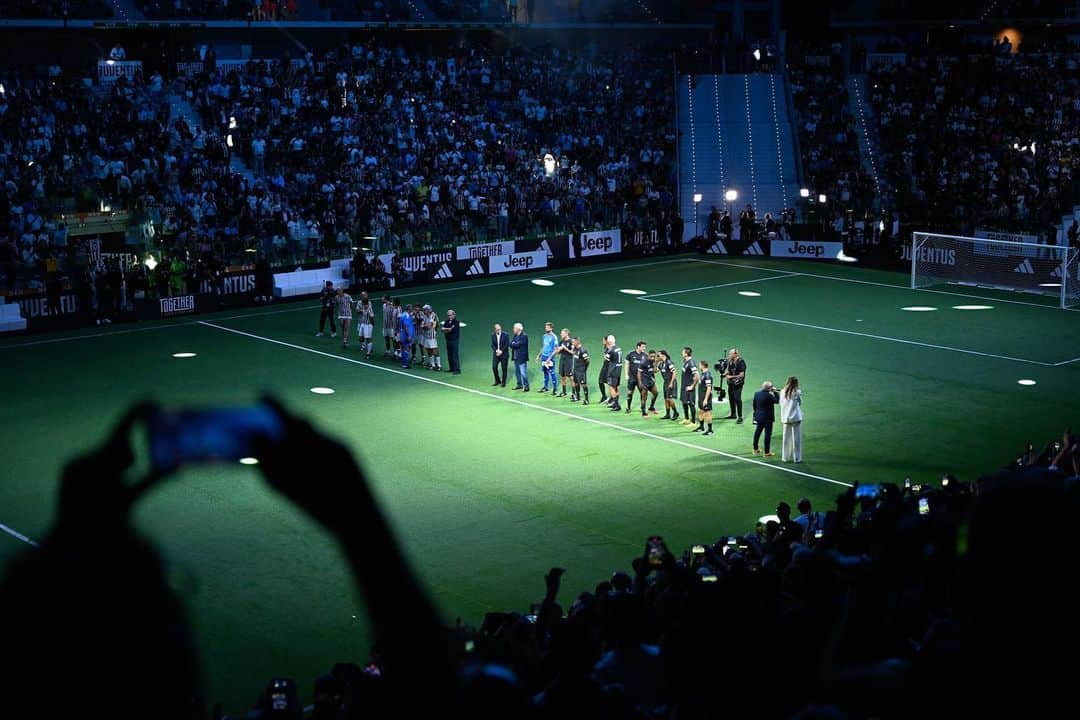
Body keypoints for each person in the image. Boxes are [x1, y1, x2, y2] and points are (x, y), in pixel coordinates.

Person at [779, 375, 803, 462]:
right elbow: (800, 403)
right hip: (796, 417)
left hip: (786, 417)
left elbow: (781, 403)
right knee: (796, 439)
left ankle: (785, 457)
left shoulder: (782, 392)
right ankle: (797, 458)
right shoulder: (797, 392)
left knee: (786, 438)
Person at [752, 381, 780, 456]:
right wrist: (775, 392)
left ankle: (755, 449)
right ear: (769, 388)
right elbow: (777, 401)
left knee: (757, 432)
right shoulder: (769, 396)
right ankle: (767, 452)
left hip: (759, 416)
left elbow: (754, 405)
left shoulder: (757, 393)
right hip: (768, 418)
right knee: (767, 434)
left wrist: (756, 413)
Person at [624, 341, 648, 414]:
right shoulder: (631, 354)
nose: (644, 348)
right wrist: (626, 374)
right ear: (638, 346)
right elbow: (627, 364)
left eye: (645, 347)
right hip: (632, 378)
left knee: (642, 393)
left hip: (641, 378)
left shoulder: (645, 355)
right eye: (643, 347)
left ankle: (642, 407)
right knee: (630, 393)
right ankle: (628, 407)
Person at [724, 348, 747, 423]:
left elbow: (741, 375)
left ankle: (740, 417)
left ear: (736, 354)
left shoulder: (741, 362)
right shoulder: (730, 361)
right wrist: (725, 373)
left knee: (737, 398)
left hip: (738, 384)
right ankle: (733, 414)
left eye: (731, 354)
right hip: (731, 383)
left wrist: (731, 377)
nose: (729, 355)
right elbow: (727, 370)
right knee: (731, 398)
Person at [657, 350, 679, 421]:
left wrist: (671, 383)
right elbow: (655, 370)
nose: (658, 357)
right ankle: (668, 414)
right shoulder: (661, 364)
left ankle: (675, 412)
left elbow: (674, 373)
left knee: (669, 398)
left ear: (663, 355)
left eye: (658, 355)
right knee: (666, 399)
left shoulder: (669, 362)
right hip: (665, 382)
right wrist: (655, 362)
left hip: (671, 382)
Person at [679, 347, 699, 426]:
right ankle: (687, 419)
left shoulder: (691, 363)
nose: (682, 353)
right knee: (684, 402)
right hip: (684, 386)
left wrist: (692, 386)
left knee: (691, 403)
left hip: (689, 387)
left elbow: (697, 376)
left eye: (683, 352)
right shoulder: (685, 361)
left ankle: (693, 422)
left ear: (686, 353)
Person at [553, 328, 574, 398]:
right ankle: (564, 392)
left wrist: (565, 348)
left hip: (569, 361)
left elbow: (573, 352)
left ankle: (574, 393)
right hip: (562, 360)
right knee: (562, 376)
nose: (561, 334)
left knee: (571, 377)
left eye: (562, 333)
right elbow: (558, 352)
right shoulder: (561, 341)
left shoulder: (571, 341)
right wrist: (557, 350)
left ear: (566, 334)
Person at [603, 335, 623, 411]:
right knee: (616, 387)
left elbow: (606, 360)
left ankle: (616, 404)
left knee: (611, 387)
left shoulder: (611, 350)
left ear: (608, 341)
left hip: (612, 370)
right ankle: (615, 403)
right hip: (618, 370)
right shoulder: (619, 348)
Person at [537, 322, 558, 393]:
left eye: (547, 327)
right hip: (544, 357)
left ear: (551, 328)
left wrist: (549, 358)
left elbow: (556, 349)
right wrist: (539, 355)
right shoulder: (544, 336)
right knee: (545, 372)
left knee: (552, 372)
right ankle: (545, 387)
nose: (546, 328)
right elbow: (543, 346)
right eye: (545, 327)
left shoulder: (554, 337)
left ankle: (555, 388)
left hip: (550, 358)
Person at [695, 359, 714, 435]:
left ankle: (710, 430)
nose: (699, 366)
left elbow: (709, 388)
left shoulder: (707, 375)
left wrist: (706, 399)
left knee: (707, 412)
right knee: (701, 411)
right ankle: (701, 427)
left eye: (699, 365)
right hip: (701, 396)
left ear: (703, 365)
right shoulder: (703, 374)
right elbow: (701, 382)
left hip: (705, 397)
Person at [420, 304, 442, 370]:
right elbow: (422, 325)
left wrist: (426, 326)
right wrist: (426, 325)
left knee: (435, 350)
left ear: (428, 310)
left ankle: (438, 365)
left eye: (425, 310)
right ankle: (432, 364)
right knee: (428, 350)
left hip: (432, 336)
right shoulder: (424, 316)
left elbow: (431, 325)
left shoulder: (434, 315)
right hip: (426, 336)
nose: (423, 311)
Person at [570, 336, 590, 404]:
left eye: (573, 342)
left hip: (581, 370)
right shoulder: (575, 349)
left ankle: (586, 399)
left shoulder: (583, 350)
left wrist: (584, 369)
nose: (572, 343)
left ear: (577, 341)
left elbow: (587, 361)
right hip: (575, 369)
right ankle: (577, 397)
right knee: (575, 383)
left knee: (583, 384)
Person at [510, 322, 530, 391]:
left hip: (521, 358)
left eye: (514, 328)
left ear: (518, 329)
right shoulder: (515, 336)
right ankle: (519, 385)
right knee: (517, 372)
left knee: (523, 373)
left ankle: (526, 386)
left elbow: (517, 345)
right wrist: (513, 344)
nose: (513, 329)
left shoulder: (524, 336)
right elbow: (511, 344)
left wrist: (514, 344)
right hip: (516, 357)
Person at [440, 309, 461, 374]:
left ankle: (457, 369)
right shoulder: (447, 321)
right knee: (449, 355)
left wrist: (446, 329)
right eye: (448, 315)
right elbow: (442, 329)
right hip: (448, 340)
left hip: (454, 340)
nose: (449, 316)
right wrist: (447, 329)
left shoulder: (456, 322)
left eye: (450, 315)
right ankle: (451, 368)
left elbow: (450, 330)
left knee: (454, 355)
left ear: (454, 315)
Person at [356, 292, 375, 360]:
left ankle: (368, 353)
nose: (363, 305)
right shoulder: (364, 308)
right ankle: (370, 348)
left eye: (363, 304)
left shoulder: (369, 309)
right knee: (360, 338)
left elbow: (372, 317)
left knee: (368, 339)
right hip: (363, 324)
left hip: (368, 325)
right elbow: (359, 311)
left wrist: (372, 325)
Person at [398, 304, 415, 368]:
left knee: (404, 348)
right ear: (409, 309)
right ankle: (405, 364)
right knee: (407, 348)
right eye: (411, 308)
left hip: (403, 334)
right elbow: (406, 326)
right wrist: (409, 335)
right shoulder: (406, 315)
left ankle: (404, 363)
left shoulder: (403, 314)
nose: (412, 310)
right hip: (406, 335)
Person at [597, 334, 610, 404]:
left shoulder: (610, 348)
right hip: (605, 366)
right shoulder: (605, 347)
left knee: (610, 383)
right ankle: (604, 396)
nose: (602, 341)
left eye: (603, 340)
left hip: (610, 367)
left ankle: (612, 398)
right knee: (600, 381)